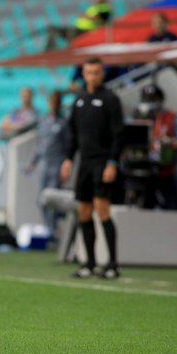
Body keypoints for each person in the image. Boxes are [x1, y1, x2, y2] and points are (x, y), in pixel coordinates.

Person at [60, 57, 124, 280]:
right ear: (83, 74)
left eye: (96, 72)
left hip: (102, 161)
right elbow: (73, 134)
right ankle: (89, 264)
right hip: (84, 163)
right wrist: (68, 159)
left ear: (102, 73)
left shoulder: (111, 99)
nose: (92, 77)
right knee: (84, 211)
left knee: (102, 208)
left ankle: (113, 264)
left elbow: (118, 134)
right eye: (88, 73)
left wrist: (113, 162)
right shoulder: (80, 100)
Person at [133, 84, 177, 210]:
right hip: (144, 169)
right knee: (145, 205)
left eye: (154, 100)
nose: (152, 104)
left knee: (172, 205)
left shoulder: (171, 117)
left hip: (165, 168)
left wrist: (169, 142)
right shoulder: (138, 116)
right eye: (148, 100)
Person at [25, 91, 67, 239]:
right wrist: (33, 162)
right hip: (44, 163)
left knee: (53, 199)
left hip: (57, 163)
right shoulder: (43, 121)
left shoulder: (63, 122)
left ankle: (54, 230)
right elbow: (40, 145)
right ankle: (49, 229)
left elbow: (68, 145)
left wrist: (66, 163)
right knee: (42, 200)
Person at [46, 0, 112, 51]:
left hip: (88, 30)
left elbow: (100, 19)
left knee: (71, 32)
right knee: (53, 29)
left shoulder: (105, 7)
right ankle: (50, 49)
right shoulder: (93, 7)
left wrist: (85, 16)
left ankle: (70, 48)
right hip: (78, 28)